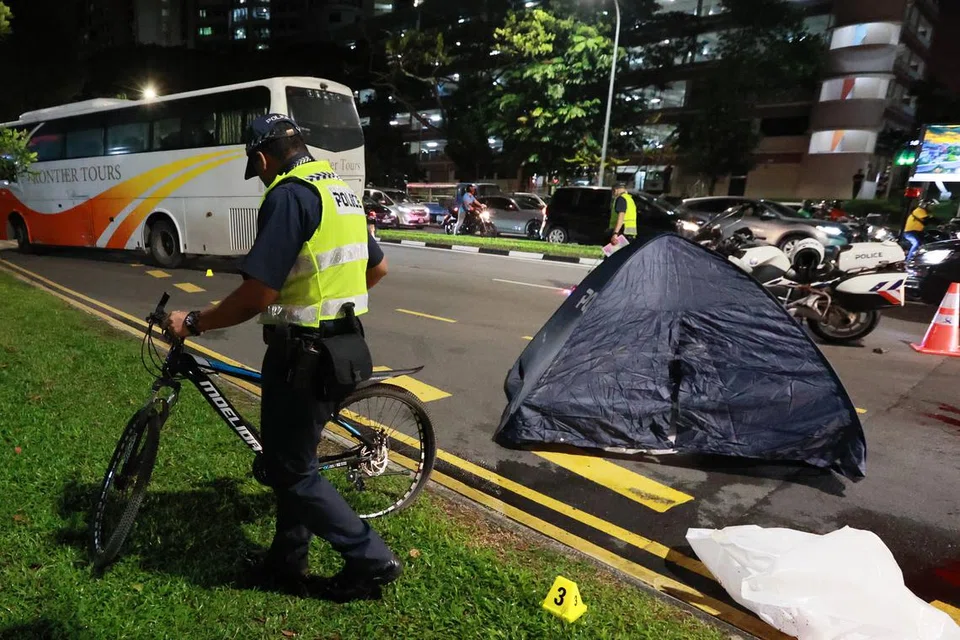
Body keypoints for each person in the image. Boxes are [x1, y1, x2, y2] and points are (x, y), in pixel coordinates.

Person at [165, 114, 400, 600]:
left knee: (289, 470)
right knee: (295, 460)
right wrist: (324, 305)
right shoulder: (339, 192)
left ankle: (371, 559)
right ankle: (286, 562)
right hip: (343, 346)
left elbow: (258, 293)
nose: (260, 178)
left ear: (262, 158)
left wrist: (195, 321)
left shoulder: (289, 195)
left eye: (257, 169)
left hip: (303, 356)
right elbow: (377, 269)